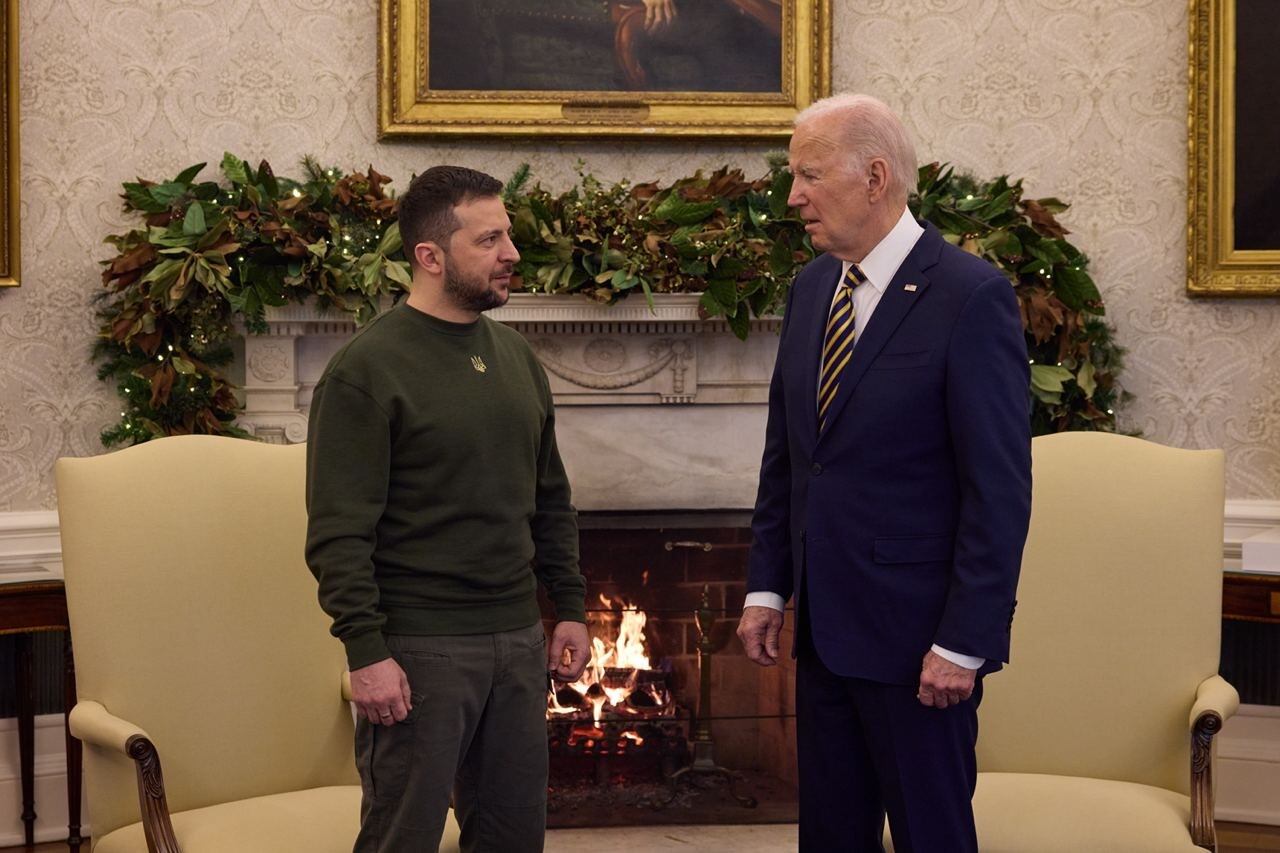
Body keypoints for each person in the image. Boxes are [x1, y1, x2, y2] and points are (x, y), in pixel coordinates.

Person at [736, 94, 1032, 851]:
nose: (792, 196)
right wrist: (769, 585)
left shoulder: (971, 297)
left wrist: (964, 641)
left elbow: (997, 492)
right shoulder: (811, 290)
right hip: (826, 638)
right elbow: (790, 456)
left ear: (874, 177)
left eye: (808, 175)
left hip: (920, 649)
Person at [305, 165, 590, 853]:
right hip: (419, 650)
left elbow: (550, 498)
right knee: (402, 838)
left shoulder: (517, 357)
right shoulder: (366, 371)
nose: (512, 253)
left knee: (512, 837)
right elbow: (339, 534)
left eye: (509, 235)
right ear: (429, 257)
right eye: (489, 239)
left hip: (519, 643)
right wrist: (365, 651)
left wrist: (571, 607)